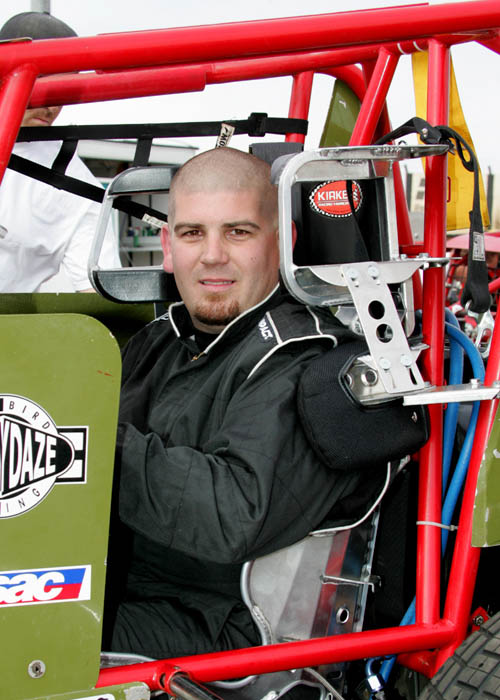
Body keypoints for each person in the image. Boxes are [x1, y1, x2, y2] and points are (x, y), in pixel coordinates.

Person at [104, 146, 363, 659]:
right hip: (115, 583)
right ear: (168, 245)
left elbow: (235, 513)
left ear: (282, 243)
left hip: (223, 624)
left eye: (238, 232)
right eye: (192, 233)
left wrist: (82, 444)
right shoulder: (158, 340)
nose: (212, 255)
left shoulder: (307, 359)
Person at [0, 12, 121, 293]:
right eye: (43, 81)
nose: (51, 107)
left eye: (62, 88)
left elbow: (98, 294)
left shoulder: (76, 186)